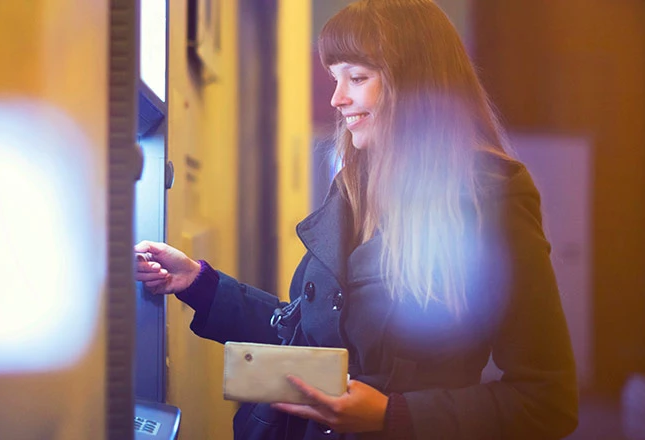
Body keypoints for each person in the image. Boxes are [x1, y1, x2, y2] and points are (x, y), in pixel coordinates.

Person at [134, 0, 579, 438]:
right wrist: (199, 283)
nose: (337, 97)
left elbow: (547, 400)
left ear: (417, 82)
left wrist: (394, 415)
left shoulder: (491, 195)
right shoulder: (354, 185)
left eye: (358, 77)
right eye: (335, 77)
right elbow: (310, 339)